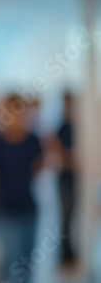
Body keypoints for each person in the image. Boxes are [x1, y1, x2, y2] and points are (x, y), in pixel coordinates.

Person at [0, 94, 43, 283]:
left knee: (27, 260)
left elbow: (38, 168)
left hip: (28, 207)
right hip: (6, 210)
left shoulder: (33, 140)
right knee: (12, 261)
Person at [56, 93, 77, 265]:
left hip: (76, 180)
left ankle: (71, 250)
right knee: (66, 216)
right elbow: (59, 155)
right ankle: (65, 253)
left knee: (73, 215)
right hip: (65, 180)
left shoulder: (79, 126)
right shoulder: (62, 127)